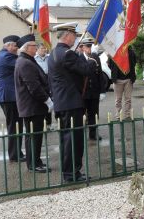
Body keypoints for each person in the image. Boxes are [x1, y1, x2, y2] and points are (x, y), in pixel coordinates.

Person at [48, 22, 97, 183]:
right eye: (74, 36)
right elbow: (86, 70)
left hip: (62, 102)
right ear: (67, 36)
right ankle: (72, 174)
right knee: (73, 141)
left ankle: (69, 173)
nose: (75, 39)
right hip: (71, 103)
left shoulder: (54, 53)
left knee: (66, 140)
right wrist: (91, 59)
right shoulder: (68, 54)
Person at [14, 34, 53, 173]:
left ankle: (35, 161)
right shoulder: (25, 63)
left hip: (33, 106)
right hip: (32, 106)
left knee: (33, 136)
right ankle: (34, 164)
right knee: (33, 136)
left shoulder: (27, 60)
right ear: (27, 48)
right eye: (34, 45)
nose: (36, 47)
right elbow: (34, 87)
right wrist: (47, 100)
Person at [0, 34, 25, 163]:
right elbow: (22, 63)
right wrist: (24, 51)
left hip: (9, 96)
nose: (17, 48)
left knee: (16, 125)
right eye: (15, 46)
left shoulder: (4, 54)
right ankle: (14, 155)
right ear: (9, 45)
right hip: (9, 96)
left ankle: (17, 152)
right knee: (14, 126)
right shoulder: (6, 56)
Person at [80, 37, 106, 140]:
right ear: (82, 48)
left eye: (91, 46)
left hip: (94, 91)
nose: (89, 49)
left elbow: (100, 75)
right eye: (87, 46)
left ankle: (93, 133)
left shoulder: (96, 58)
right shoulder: (79, 58)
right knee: (81, 115)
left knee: (94, 114)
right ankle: (80, 134)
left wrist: (102, 91)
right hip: (83, 92)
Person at [108, 46, 137, 120]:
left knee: (128, 99)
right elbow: (110, 64)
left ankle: (127, 115)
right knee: (118, 99)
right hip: (117, 79)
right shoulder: (113, 52)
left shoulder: (131, 52)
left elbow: (134, 63)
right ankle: (118, 115)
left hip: (128, 79)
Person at [34, 43, 52, 128]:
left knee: (49, 103)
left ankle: (49, 124)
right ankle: (42, 124)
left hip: (48, 82)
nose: (44, 50)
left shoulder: (49, 58)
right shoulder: (34, 59)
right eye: (42, 48)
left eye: (45, 48)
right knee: (42, 104)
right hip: (40, 83)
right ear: (37, 49)